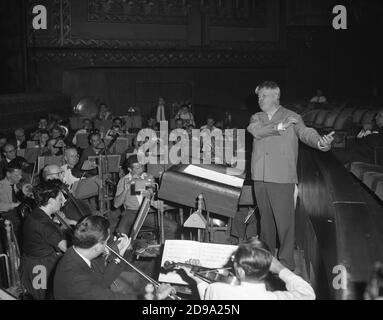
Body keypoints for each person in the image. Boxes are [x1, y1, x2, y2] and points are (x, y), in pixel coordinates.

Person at [247, 81, 334, 270]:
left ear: (276, 96)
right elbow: (255, 131)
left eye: (264, 95)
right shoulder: (257, 117)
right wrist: (279, 127)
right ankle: (265, 262)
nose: (260, 99)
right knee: (266, 223)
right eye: (259, 96)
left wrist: (320, 142)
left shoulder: (293, 117)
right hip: (260, 177)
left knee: (284, 224)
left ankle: (286, 265)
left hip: (281, 177)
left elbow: (305, 133)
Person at [53, 215, 174, 300]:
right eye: (106, 242)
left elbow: (102, 282)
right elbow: (110, 298)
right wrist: (154, 297)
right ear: (96, 247)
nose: (108, 245)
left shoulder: (74, 253)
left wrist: (119, 254)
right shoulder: (76, 279)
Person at [180, 239, 315, 300]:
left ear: (240, 271)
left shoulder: (217, 289)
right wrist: (280, 268)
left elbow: (208, 298)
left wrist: (199, 281)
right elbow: (308, 294)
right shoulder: (274, 298)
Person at [21, 179, 68, 300]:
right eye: (59, 199)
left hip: (30, 260)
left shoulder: (36, 213)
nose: (62, 202)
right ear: (51, 201)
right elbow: (66, 249)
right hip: (40, 267)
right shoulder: (46, 226)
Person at [114, 155, 178, 239]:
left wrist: (153, 202)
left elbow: (151, 196)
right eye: (137, 168)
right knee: (120, 234)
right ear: (130, 169)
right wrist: (125, 190)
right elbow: (116, 204)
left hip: (148, 212)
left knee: (172, 226)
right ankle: (128, 250)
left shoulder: (148, 177)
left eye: (142, 166)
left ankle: (166, 249)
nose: (141, 169)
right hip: (131, 213)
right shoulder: (123, 181)